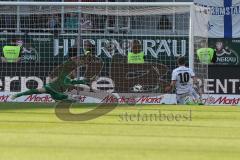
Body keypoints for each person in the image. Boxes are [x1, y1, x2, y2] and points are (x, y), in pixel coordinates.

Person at [10, 51, 89, 102]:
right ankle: (70, 98)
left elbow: (74, 81)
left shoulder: (67, 77)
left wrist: (86, 80)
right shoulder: (65, 74)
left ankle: (70, 98)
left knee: (57, 97)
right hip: (52, 88)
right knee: (36, 91)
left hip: (51, 89)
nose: (74, 73)